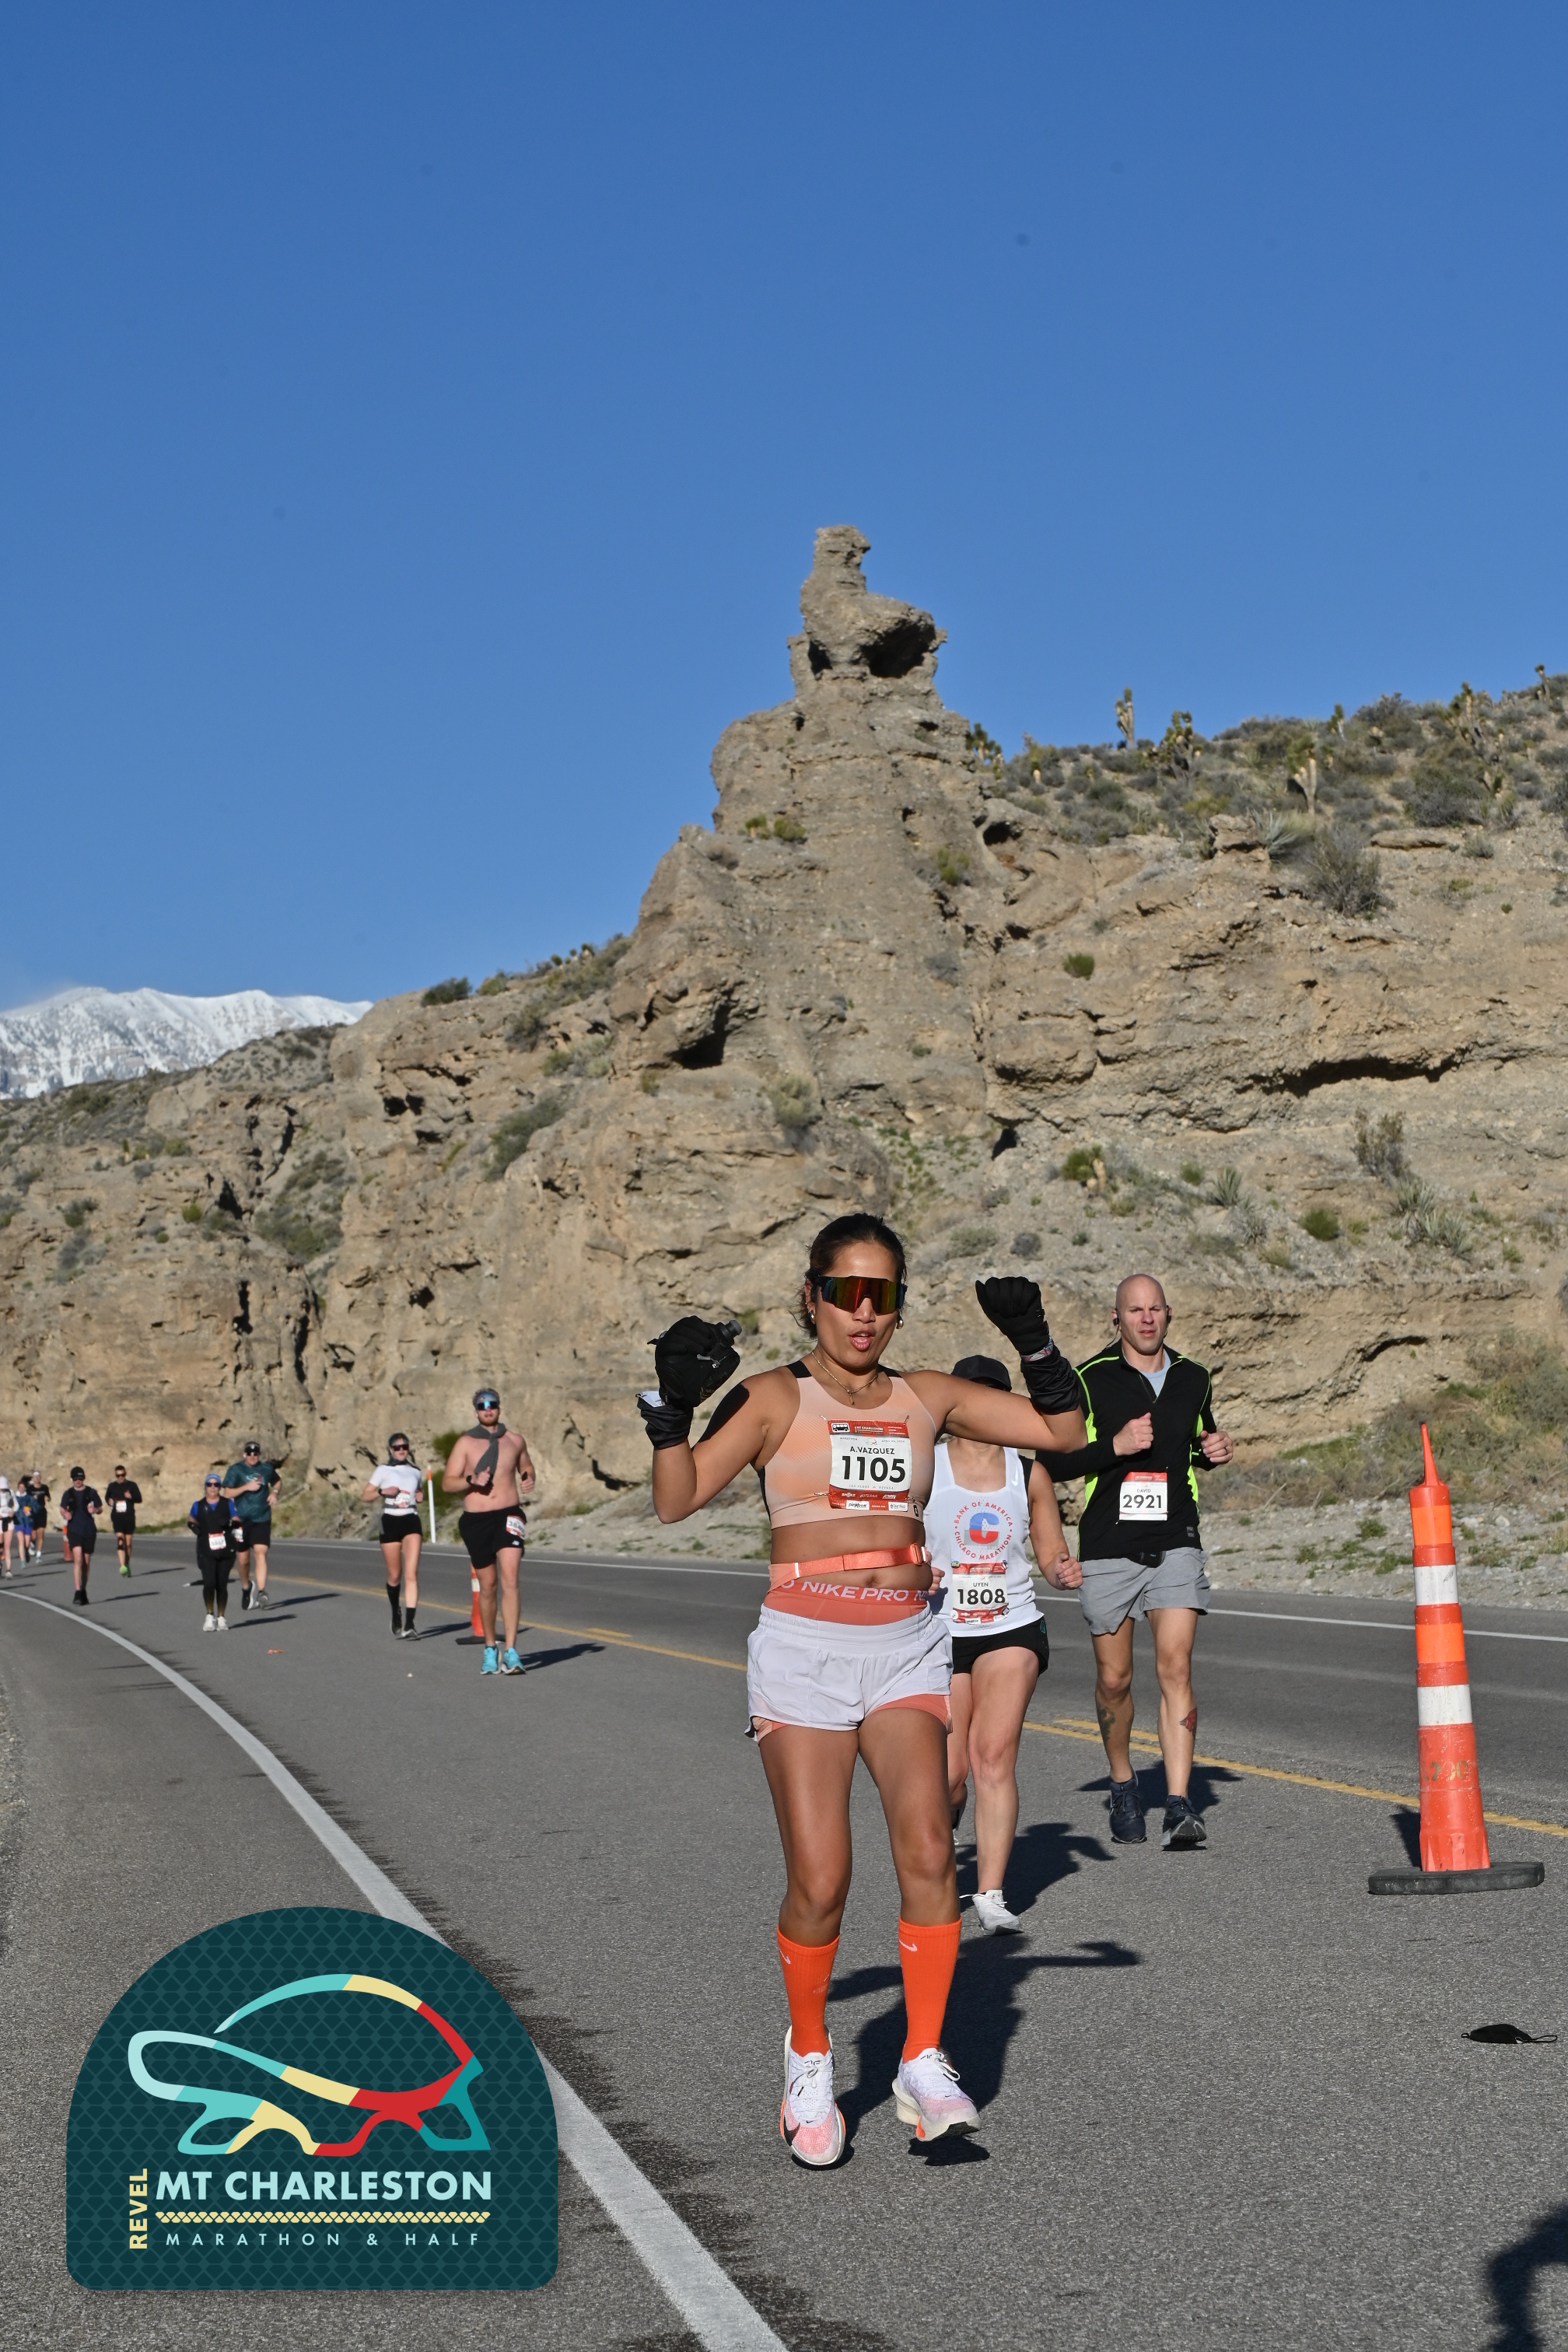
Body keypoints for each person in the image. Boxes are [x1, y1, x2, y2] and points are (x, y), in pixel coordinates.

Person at [639, 1214, 1087, 2165]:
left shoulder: (926, 1397)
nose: (863, 1312)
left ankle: (920, 2059)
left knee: (928, 1850)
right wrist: (670, 1411)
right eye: (845, 1292)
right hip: (805, 1650)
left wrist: (1037, 1343)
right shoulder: (772, 1397)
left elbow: (1062, 1431)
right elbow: (675, 1499)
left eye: (881, 1295)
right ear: (813, 1297)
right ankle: (808, 2057)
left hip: (907, 1645)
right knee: (822, 1879)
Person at [1040, 1273, 1234, 1850]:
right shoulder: (1089, 1378)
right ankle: (1123, 1781)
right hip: (1109, 1543)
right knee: (1114, 1679)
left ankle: (1178, 1803)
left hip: (1176, 1539)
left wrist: (1213, 1450)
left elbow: (1195, 1442)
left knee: (1176, 1667)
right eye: (1135, 1310)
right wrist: (1116, 1447)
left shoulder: (1194, 1377)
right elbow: (1056, 1461)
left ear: (1168, 1315)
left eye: (1155, 1309)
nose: (1146, 1319)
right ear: (1116, 1318)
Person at [929, 1354, 1083, 1934]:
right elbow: (897, 1532)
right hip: (941, 1628)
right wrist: (914, 1566)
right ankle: (945, 1840)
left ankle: (990, 1893)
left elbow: (1050, 1550)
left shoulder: (1028, 1472)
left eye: (994, 1395)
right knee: (948, 1774)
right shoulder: (924, 1464)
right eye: (973, 1395)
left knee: (992, 1755)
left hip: (1010, 1623)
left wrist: (1062, 1570)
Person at [443, 1389, 535, 1675]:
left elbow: (526, 1466)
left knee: (511, 1580)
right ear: (476, 1411)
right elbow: (448, 1483)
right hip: (476, 1520)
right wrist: (472, 1479)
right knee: (488, 1586)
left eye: (492, 1404)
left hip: (509, 1515)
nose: (487, 1409)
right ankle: (490, 1647)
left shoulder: (515, 1441)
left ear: (499, 1408)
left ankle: (512, 1651)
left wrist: (528, 1478)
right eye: (482, 1405)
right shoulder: (466, 1443)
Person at [362, 1433, 425, 1639]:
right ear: (390, 1449)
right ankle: (395, 1612)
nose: (401, 1450)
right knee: (395, 1576)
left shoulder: (416, 1471)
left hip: (411, 1520)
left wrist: (420, 1496)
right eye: (397, 1447)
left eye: (404, 1446)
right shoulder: (383, 1470)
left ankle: (410, 1624)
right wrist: (382, 1492)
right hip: (390, 1520)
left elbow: (418, 1493)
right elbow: (365, 1495)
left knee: (411, 1574)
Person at [223, 1441, 280, 1609]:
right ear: (244, 1454)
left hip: (261, 1518)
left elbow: (277, 1481)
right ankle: (246, 1587)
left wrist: (275, 1492)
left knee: (261, 1552)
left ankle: (262, 1591)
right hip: (240, 1520)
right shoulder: (236, 1470)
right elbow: (227, 1494)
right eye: (249, 1453)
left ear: (259, 1455)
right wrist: (246, 1487)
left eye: (256, 1454)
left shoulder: (266, 1468)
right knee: (243, 1560)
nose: (252, 1456)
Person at [189, 1474, 236, 1631]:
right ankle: (210, 1616)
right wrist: (194, 1528)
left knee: (221, 1584)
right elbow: (191, 1520)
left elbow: (237, 1519)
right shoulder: (198, 1505)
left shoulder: (227, 1503)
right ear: (205, 1487)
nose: (213, 1487)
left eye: (216, 1484)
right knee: (209, 1583)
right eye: (210, 1484)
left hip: (225, 1549)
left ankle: (221, 1617)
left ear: (220, 1487)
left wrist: (230, 1523)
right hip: (206, 1549)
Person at [62, 1466, 103, 1605]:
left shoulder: (91, 1492)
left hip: (89, 1529)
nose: (78, 1481)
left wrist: (95, 1510)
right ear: (72, 1480)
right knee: (78, 1558)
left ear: (83, 1478)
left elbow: (100, 1508)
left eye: (80, 1479)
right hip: (74, 1529)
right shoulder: (68, 1493)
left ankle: (84, 1590)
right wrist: (65, 1514)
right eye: (75, 1479)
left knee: (86, 1561)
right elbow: (62, 1508)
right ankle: (77, 1591)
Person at [105, 1463, 143, 1577]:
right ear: (115, 1475)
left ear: (125, 1474)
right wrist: (109, 1501)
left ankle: (127, 1564)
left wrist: (131, 1497)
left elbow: (139, 1498)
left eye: (122, 1475)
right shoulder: (112, 1486)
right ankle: (122, 1566)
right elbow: (107, 1497)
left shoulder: (132, 1485)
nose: (120, 1477)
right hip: (117, 1517)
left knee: (128, 1543)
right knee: (120, 1540)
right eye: (118, 1475)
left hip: (129, 1517)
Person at [13, 1482, 35, 1566]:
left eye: (23, 1487)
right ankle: (22, 1561)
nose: (21, 1489)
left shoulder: (29, 1497)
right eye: (20, 1487)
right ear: (18, 1488)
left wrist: (31, 1509)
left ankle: (26, 1551)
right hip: (18, 1522)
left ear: (25, 1488)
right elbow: (11, 1507)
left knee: (27, 1542)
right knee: (21, 1541)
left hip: (28, 1522)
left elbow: (35, 1507)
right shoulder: (14, 1498)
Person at [0, 1474, 15, 1573]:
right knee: (1, 1547)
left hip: (9, 1521)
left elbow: (16, 1506)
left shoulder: (11, 1493)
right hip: (0, 1522)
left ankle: (8, 1570)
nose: (3, 1490)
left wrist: (12, 1512)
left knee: (7, 1547)